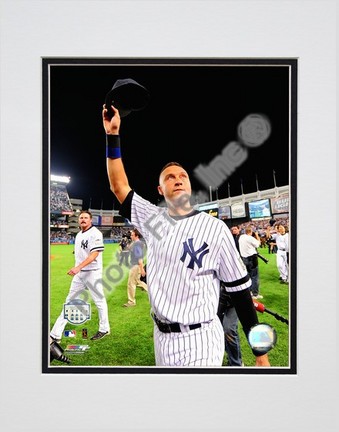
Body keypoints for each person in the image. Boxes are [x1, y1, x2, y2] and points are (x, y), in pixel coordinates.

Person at [102, 103, 270, 367]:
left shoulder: (214, 228)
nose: (177, 179)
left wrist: (260, 355)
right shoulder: (152, 220)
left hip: (200, 338)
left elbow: (240, 292)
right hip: (161, 336)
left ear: (190, 186)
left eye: (182, 176)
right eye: (170, 177)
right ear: (160, 188)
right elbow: (118, 185)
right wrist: (112, 135)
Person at [50, 210, 110, 342]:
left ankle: (104, 328)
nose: (83, 219)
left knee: (99, 301)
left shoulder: (95, 233)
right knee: (69, 302)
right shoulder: (78, 235)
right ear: (78, 220)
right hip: (80, 275)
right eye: (81, 217)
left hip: (92, 273)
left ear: (90, 220)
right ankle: (55, 334)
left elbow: (94, 254)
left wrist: (78, 267)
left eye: (86, 218)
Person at [217, 224, 243, 366]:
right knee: (217, 329)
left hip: (234, 299)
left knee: (229, 328)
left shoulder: (236, 256)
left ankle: (236, 363)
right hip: (219, 298)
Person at [123, 228, 148, 307]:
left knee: (131, 284)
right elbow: (128, 248)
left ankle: (131, 302)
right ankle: (153, 292)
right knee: (138, 282)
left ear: (136, 236)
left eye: (132, 235)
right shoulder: (138, 243)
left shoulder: (137, 244)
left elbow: (139, 258)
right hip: (136, 265)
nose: (131, 236)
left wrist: (142, 269)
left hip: (136, 265)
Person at [238, 226, 263, 299]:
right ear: (251, 232)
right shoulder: (250, 238)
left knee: (247, 276)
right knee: (255, 276)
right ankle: (255, 294)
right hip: (252, 258)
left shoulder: (241, 237)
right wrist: (257, 236)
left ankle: (249, 292)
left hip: (244, 258)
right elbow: (258, 244)